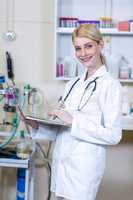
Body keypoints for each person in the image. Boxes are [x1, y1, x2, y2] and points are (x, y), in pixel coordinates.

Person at [28, 24, 122, 200]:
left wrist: (74, 121)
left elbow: (114, 135)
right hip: (61, 167)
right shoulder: (73, 84)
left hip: (83, 171)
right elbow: (64, 127)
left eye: (88, 46)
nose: (83, 53)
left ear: (100, 45)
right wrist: (37, 126)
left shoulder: (110, 85)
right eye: (78, 48)